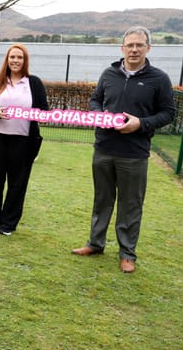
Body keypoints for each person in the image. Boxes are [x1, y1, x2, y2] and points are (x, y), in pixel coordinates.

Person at [72, 26, 176, 273]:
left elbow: (168, 113)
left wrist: (141, 123)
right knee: (102, 200)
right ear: (122, 48)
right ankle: (95, 244)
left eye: (139, 45)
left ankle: (127, 253)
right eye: (130, 45)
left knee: (130, 205)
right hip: (104, 148)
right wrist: (98, 115)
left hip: (134, 153)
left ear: (148, 48)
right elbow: (95, 99)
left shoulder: (159, 79)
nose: (134, 49)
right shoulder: (108, 74)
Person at [0, 44, 48, 236]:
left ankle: (8, 223)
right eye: (12, 57)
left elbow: (44, 111)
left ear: (25, 61)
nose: (15, 61)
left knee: (17, 184)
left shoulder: (33, 83)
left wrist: (30, 113)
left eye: (19, 58)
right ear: (7, 60)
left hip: (23, 142)